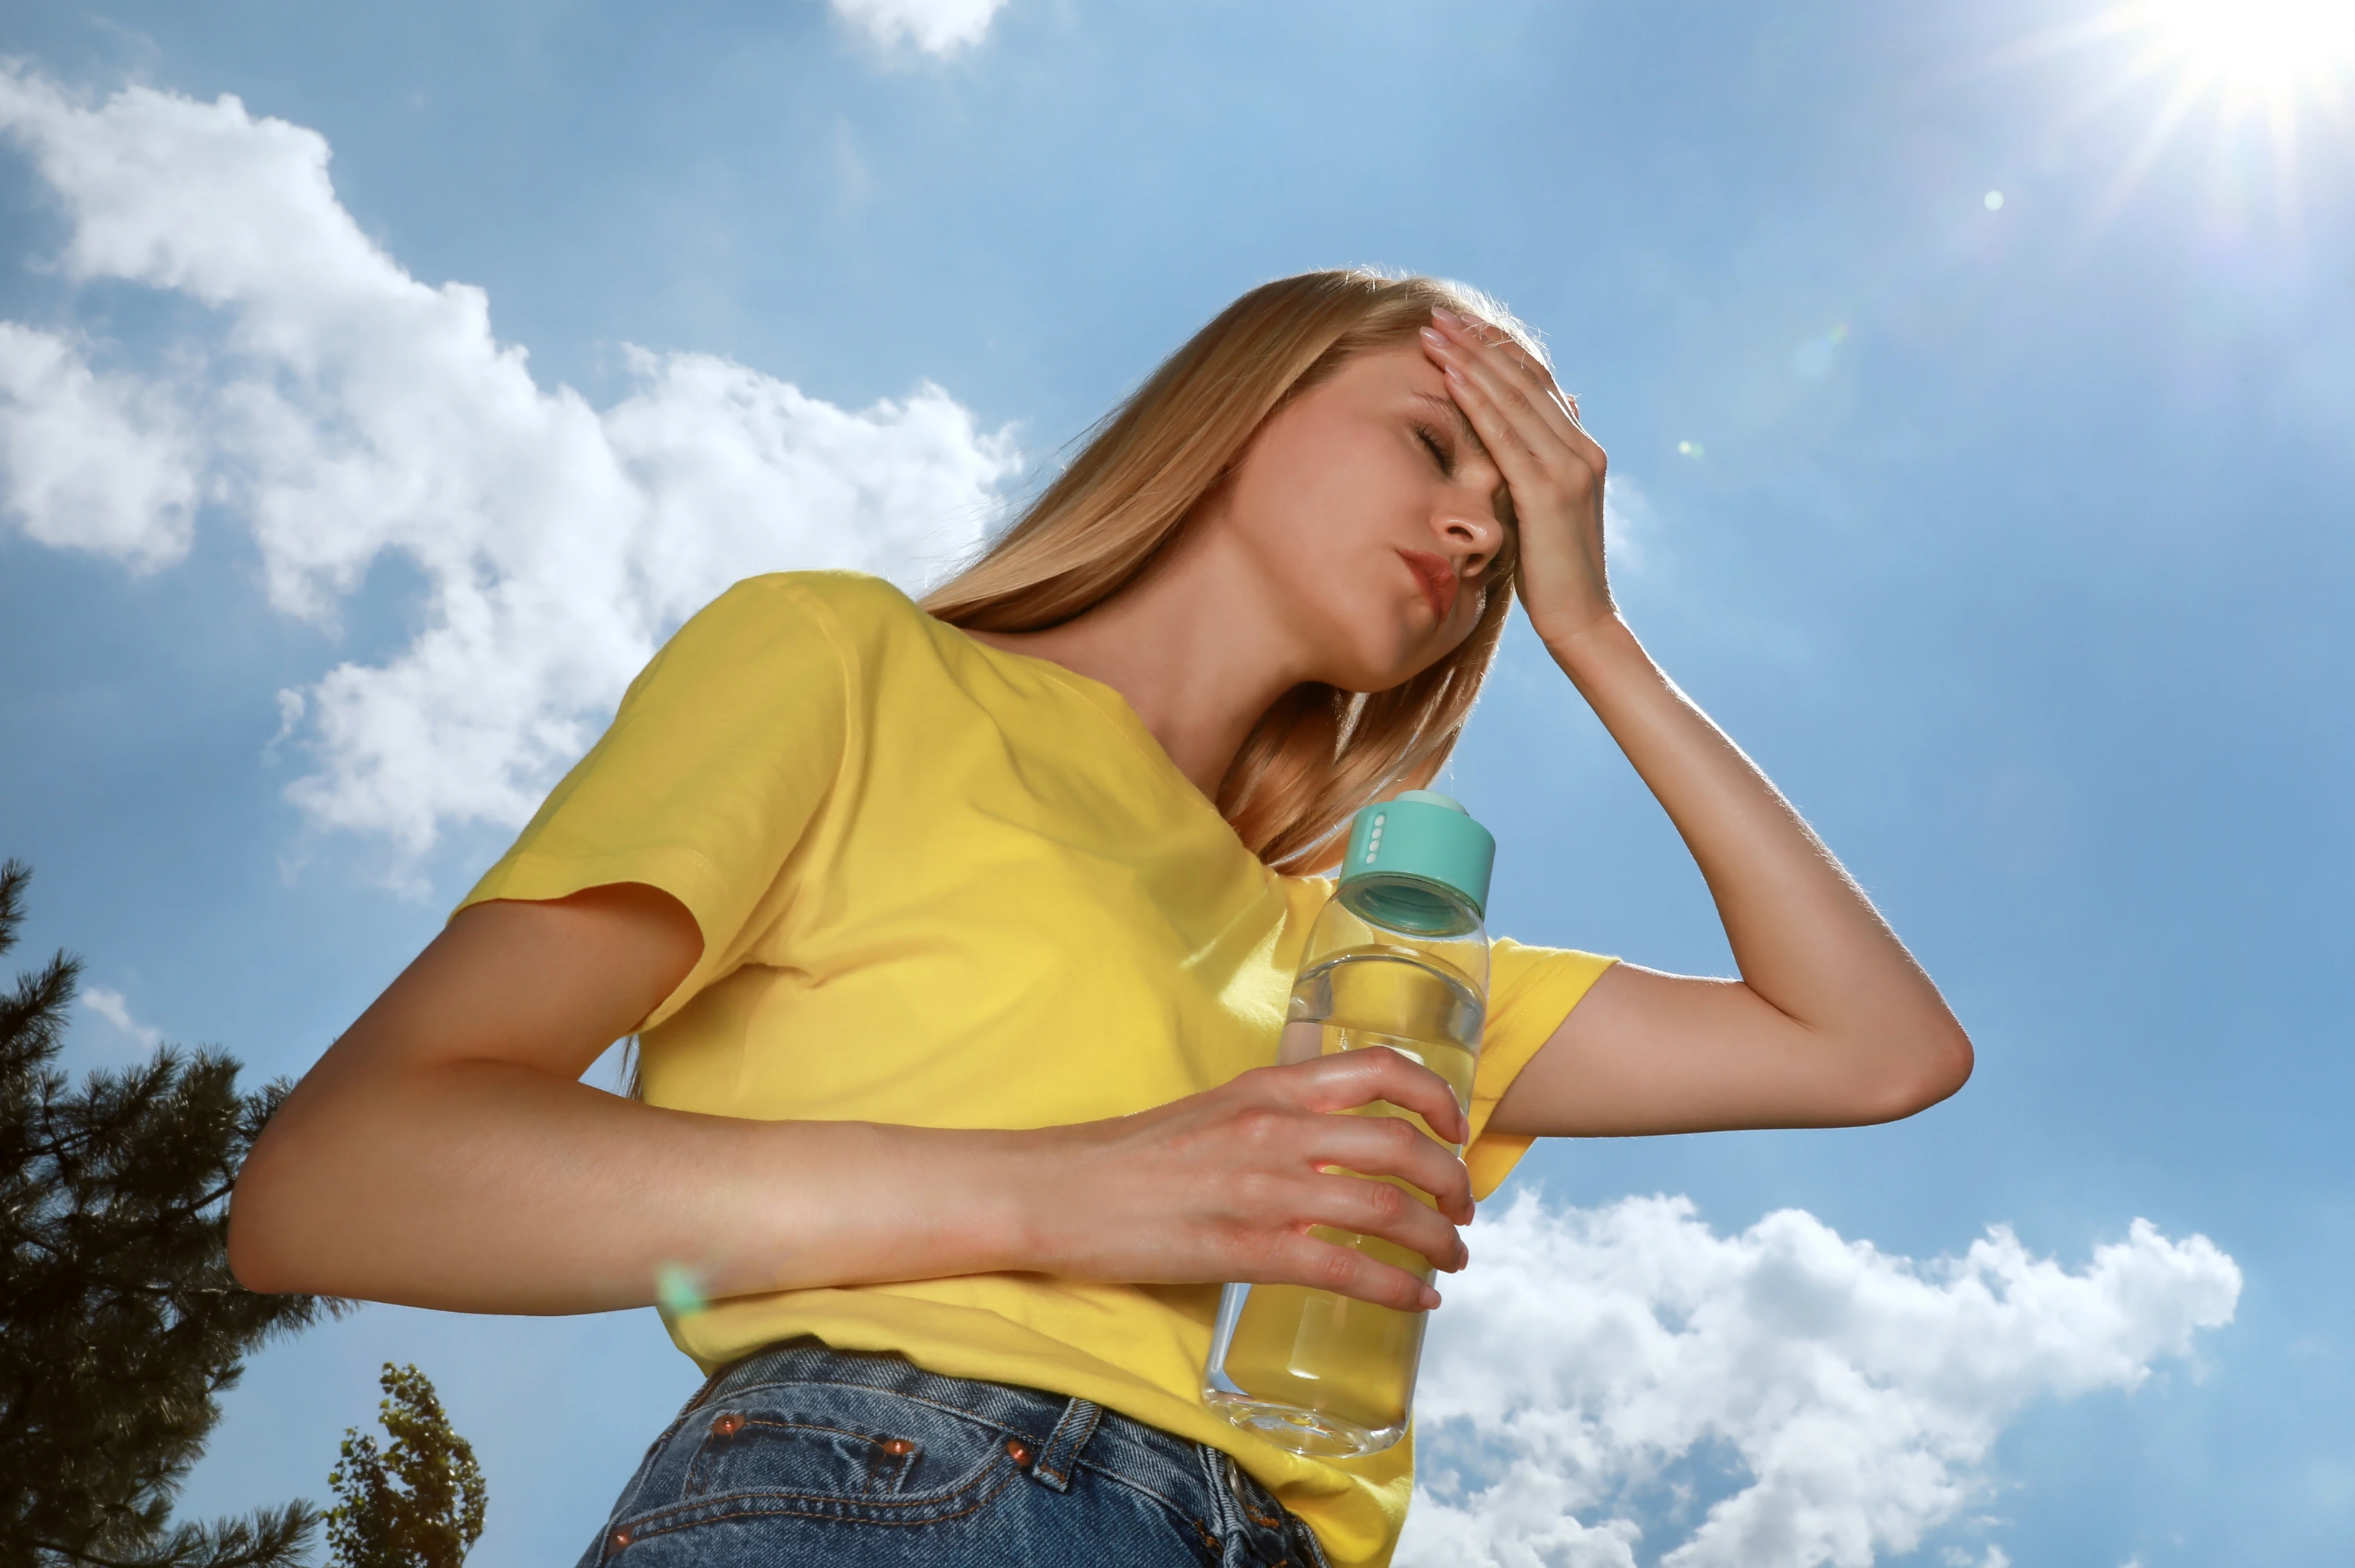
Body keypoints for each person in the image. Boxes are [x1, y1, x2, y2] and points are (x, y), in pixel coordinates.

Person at [228, 269, 1971, 1568]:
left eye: (1507, 542)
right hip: (893, 1488)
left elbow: (1878, 1049)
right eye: (1437, 443)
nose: (1470, 526)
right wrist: (1077, 1187)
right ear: (1242, 405)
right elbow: (342, 1179)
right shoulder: (853, 666)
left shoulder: (1361, 963)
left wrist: (1593, 635)